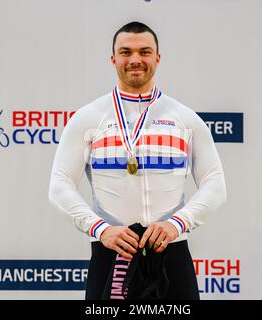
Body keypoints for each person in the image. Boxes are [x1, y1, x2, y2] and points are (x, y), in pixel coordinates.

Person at [49, 21, 226, 300]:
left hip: (171, 253)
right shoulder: (88, 117)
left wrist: (176, 224)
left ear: (157, 58)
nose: (135, 60)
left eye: (144, 52)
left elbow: (215, 184)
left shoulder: (185, 119)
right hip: (112, 253)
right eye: (126, 52)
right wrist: (101, 229)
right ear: (113, 59)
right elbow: (59, 186)